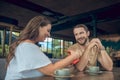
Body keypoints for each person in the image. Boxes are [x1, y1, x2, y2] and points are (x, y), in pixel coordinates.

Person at [5, 16, 80, 80]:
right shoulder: (27, 46)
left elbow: (45, 67)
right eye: (48, 30)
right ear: (38, 27)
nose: (49, 34)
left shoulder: (26, 45)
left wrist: (66, 63)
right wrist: (73, 56)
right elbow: (51, 70)